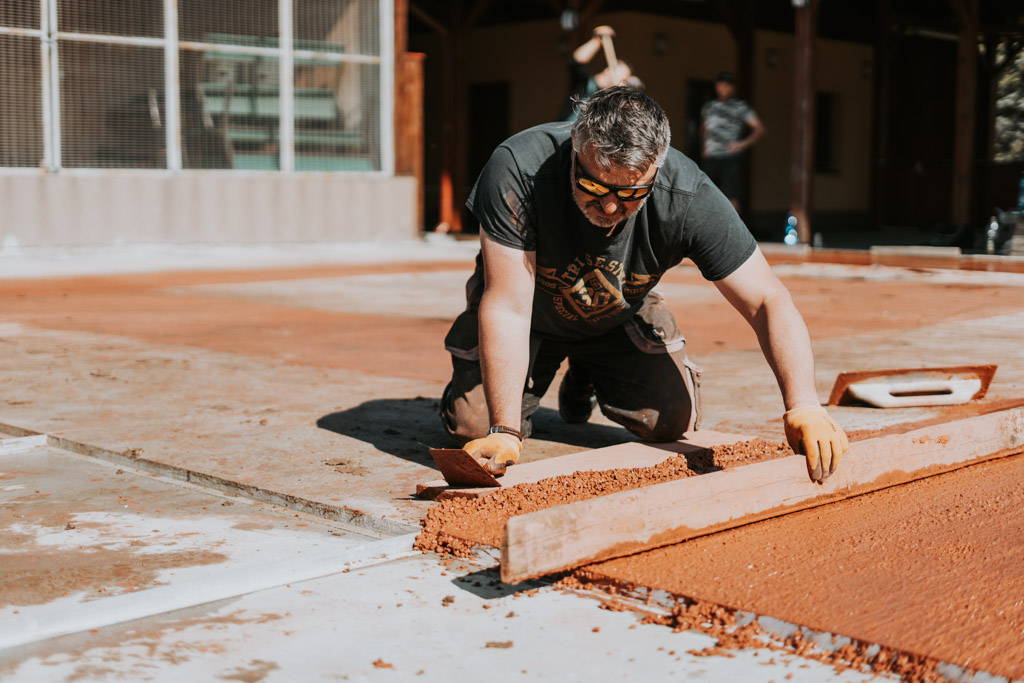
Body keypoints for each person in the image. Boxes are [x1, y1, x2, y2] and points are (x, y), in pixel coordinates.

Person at [440, 86, 847, 485]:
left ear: (658, 167)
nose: (612, 206)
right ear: (575, 152)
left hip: (617, 313)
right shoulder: (518, 168)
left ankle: (588, 371)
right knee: (473, 426)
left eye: (632, 192)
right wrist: (505, 430)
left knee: (672, 420)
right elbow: (509, 307)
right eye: (595, 187)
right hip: (528, 316)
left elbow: (767, 299)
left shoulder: (687, 194)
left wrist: (804, 404)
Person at [700, 71, 765, 212]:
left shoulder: (739, 106)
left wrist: (742, 144)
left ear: (733, 88)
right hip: (712, 156)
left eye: (727, 86)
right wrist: (705, 147)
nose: (723, 88)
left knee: (731, 196)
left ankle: (735, 231)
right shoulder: (709, 106)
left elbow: (759, 128)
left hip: (730, 156)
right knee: (705, 192)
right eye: (720, 85)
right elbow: (704, 127)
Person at [558, 25, 638, 121]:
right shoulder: (586, 82)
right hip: (564, 132)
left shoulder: (611, 100)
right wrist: (597, 40)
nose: (621, 83)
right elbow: (576, 62)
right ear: (607, 70)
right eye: (621, 77)